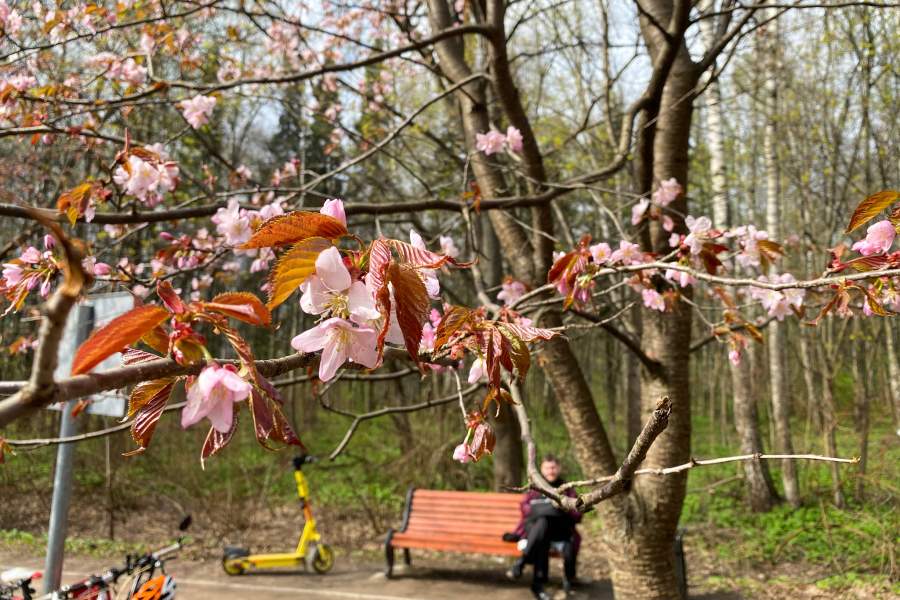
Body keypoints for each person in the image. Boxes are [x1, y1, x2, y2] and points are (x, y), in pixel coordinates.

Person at [503, 454, 581, 599]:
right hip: (538, 531)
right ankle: (537, 584)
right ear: (542, 469)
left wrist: (559, 510)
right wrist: (548, 509)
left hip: (560, 532)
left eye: (553, 467)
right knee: (543, 526)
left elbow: (577, 514)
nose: (551, 471)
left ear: (559, 468)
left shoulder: (567, 489)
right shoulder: (536, 488)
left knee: (546, 520)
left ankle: (522, 563)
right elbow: (525, 509)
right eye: (547, 468)